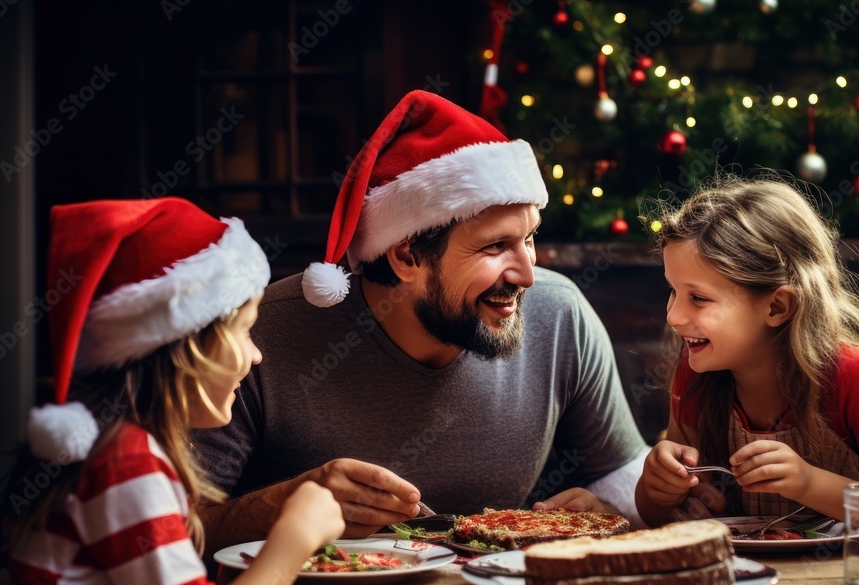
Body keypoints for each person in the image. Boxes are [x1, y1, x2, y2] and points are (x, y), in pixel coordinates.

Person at [193, 89, 650, 551]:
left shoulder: (560, 314)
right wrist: (280, 508)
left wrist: (615, 507)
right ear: (407, 256)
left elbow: (622, 475)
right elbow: (166, 537)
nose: (528, 275)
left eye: (529, 237)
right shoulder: (258, 338)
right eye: (494, 247)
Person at [0, 198, 345, 585]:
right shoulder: (125, 465)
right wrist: (296, 532)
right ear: (187, 348)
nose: (257, 356)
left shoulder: (122, 452)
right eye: (245, 333)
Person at [634, 173, 859, 535]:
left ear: (777, 306)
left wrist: (809, 483)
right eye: (673, 291)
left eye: (698, 298)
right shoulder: (694, 377)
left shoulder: (852, 374)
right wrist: (660, 490)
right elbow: (655, 517)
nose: (673, 316)